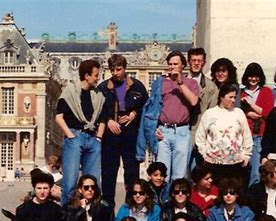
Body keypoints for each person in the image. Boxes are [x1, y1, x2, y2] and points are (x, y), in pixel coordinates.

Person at [136, 51, 199, 184]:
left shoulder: (190, 83)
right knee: (162, 175)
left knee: (179, 176)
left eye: (175, 64)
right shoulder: (160, 83)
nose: (172, 67)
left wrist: (180, 83)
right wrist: (153, 128)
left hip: (182, 132)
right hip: (163, 132)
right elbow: (152, 109)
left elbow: (193, 101)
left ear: (183, 66)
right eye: (170, 64)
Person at [98, 54, 148, 206]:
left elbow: (146, 108)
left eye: (118, 69)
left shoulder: (138, 86)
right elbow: (97, 110)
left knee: (131, 173)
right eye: (112, 70)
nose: (115, 73)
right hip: (110, 134)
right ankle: (107, 212)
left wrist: (134, 114)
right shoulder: (103, 88)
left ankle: (131, 206)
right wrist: (108, 120)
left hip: (130, 132)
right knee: (108, 173)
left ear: (125, 69)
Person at [55, 59, 107, 206]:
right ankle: (67, 219)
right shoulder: (70, 92)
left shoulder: (99, 96)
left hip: (92, 139)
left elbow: (103, 119)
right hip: (75, 137)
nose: (98, 78)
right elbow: (59, 117)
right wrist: (71, 135)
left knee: (94, 184)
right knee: (70, 183)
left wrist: (98, 138)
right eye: (96, 75)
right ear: (86, 76)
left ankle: (92, 220)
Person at [195, 83, 253, 185]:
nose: (233, 100)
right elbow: (200, 137)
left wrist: (246, 156)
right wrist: (205, 154)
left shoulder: (239, 113)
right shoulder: (209, 114)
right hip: (213, 164)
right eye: (230, 97)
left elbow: (247, 136)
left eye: (235, 97)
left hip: (236, 164)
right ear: (221, 97)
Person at [240, 63, 274, 186]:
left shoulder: (266, 91)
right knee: (243, 171)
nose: (253, 79)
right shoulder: (241, 93)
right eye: (250, 76)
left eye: (256, 76)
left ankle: (254, 202)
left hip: (259, 136)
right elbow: (238, 113)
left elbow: (268, 113)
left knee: (256, 173)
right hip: (243, 137)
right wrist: (248, 114)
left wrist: (250, 104)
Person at [187, 47, 218, 167]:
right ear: (189, 61)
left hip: (201, 133)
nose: (196, 63)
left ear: (204, 63)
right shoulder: (180, 82)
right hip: (182, 132)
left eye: (199, 61)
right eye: (194, 60)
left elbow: (212, 113)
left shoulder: (211, 87)